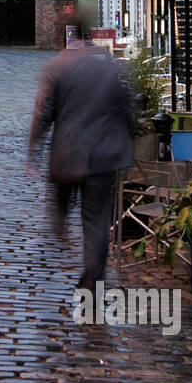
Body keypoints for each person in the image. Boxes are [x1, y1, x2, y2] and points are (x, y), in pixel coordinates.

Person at [28, 32, 136, 294]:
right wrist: (125, 142)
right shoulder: (108, 69)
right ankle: (93, 273)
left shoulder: (57, 67)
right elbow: (127, 109)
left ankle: (58, 234)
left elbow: (43, 112)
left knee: (61, 202)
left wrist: (34, 150)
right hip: (102, 156)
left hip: (68, 154)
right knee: (96, 220)